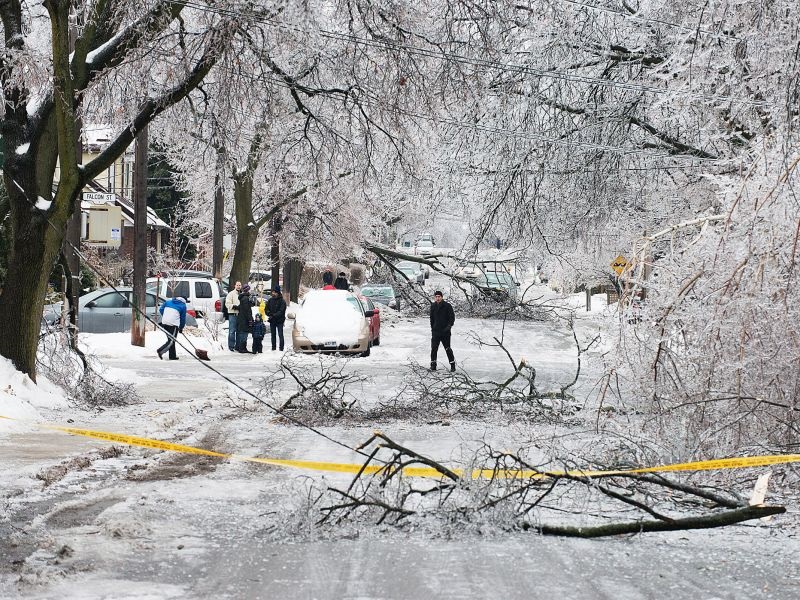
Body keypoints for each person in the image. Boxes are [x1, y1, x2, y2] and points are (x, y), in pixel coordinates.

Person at [429, 290, 456, 371]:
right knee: (434, 349)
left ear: (442, 297)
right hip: (436, 332)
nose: (437, 298)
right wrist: (432, 328)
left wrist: (448, 327)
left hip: (445, 332)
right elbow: (431, 318)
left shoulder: (447, 306)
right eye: (436, 297)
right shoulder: (433, 306)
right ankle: (433, 365)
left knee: (447, 348)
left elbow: (452, 318)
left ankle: (452, 365)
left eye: (439, 297)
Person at [157, 296, 187, 360]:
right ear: (184, 301)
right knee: (171, 341)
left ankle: (172, 356)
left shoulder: (168, 302)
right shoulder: (183, 306)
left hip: (164, 322)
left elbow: (161, 309)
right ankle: (160, 351)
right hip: (173, 324)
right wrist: (181, 327)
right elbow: (182, 318)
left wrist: (166, 316)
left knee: (171, 340)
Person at [266, 285, 287, 351]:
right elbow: (266, 309)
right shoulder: (270, 300)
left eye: (274, 292)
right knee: (273, 335)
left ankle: (281, 348)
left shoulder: (282, 301)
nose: (273, 293)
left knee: (280, 334)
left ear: (278, 292)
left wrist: (273, 315)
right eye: (273, 292)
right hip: (272, 320)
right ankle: (273, 347)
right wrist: (269, 314)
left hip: (279, 321)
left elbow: (281, 311)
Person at [236, 284, 255, 353]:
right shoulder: (245, 299)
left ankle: (240, 347)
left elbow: (242, 307)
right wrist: (250, 319)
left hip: (242, 317)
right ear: (247, 290)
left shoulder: (243, 298)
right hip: (244, 319)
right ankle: (242, 348)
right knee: (244, 333)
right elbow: (247, 310)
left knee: (242, 333)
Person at [225, 281, 242, 351]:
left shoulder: (242, 294)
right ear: (235, 286)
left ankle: (237, 346)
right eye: (237, 285)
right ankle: (231, 346)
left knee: (239, 331)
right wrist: (234, 306)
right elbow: (227, 304)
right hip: (232, 315)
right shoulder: (231, 294)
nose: (238, 286)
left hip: (240, 315)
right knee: (232, 331)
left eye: (240, 285)